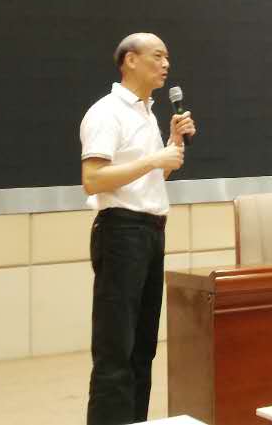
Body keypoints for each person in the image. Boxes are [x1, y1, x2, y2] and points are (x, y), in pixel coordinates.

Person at [80, 32, 196, 425]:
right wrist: (154, 160)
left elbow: (153, 175)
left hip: (150, 231)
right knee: (115, 350)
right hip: (121, 231)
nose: (166, 65)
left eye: (168, 58)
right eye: (158, 56)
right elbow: (93, 179)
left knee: (142, 349)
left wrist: (172, 143)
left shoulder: (146, 113)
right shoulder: (106, 112)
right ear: (130, 60)